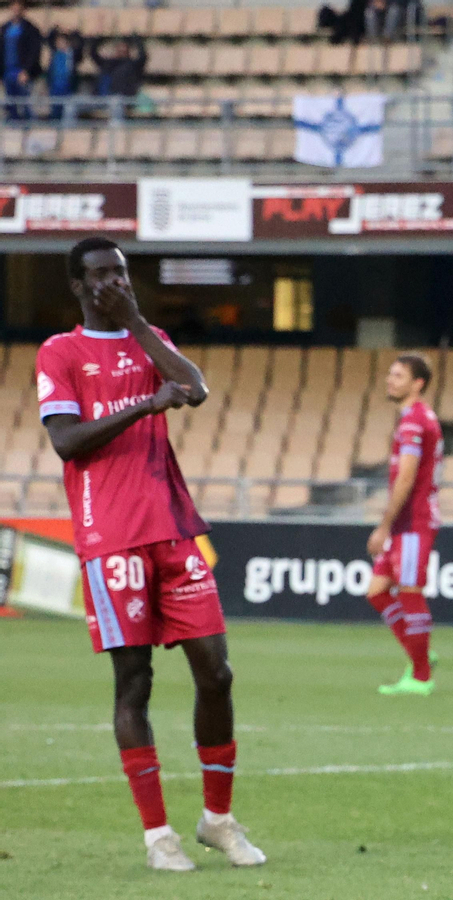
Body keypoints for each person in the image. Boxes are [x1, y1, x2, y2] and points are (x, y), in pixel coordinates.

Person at [34, 237, 266, 872]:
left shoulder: (149, 336)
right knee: (134, 683)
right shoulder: (60, 352)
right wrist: (143, 404)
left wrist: (137, 323)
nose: (115, 282)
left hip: (171, 530)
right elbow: (66, 442)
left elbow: (194, 389)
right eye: (102, 275)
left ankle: (217, 820)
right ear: (79, 286)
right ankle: (157, 836)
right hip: (109, 536)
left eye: (123, 273)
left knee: (217, 672)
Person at [365, 355, 443, 697]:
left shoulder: (414, 421)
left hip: (413, 521)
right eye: (390, 373)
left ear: (418, 383)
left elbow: (407, 477)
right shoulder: (417, 418)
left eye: (398, 375)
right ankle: (420, 651)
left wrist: (383, 525)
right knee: (377, 591)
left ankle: (421, 676)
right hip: (408, 522)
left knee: (409, 593)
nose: (390, 380)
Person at [2, 0, 43, 121]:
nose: (16, 11)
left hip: (22, 72)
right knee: (11, 105)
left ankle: (29, 130)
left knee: (26, 105)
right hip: (8, 72)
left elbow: (34, 52)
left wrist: (26, 70)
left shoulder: (30, 29)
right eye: (14, 8)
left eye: (18, 8)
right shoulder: (5, 28)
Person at [44, 27, 80, 121]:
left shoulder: (72, 54)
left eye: (62, 42)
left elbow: (80, 45)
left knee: (68, 113)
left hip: (67, 86)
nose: (60, 44)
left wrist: (73, 32)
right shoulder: (55, 54)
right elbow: (49, 40)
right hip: (55, 86)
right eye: (58, 42)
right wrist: (56, 27)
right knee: (55, 111)